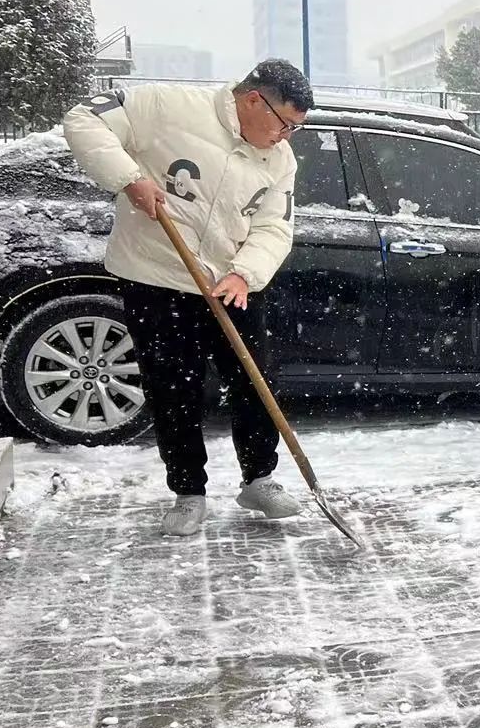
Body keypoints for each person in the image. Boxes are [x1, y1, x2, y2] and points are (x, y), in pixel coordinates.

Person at [63, 60, 313, 536]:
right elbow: (84, 118)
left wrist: (244, 274)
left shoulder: (279, 161)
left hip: (230, 282)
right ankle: (188, 492)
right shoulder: (166, 106)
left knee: (255, 379)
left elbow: (274, 226)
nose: (287, 137)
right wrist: (128, 179)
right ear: (253, 100)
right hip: (157, 277)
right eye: (285, 124)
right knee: (174, 389)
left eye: (296, 129)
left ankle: (259, 479)